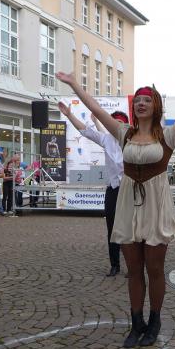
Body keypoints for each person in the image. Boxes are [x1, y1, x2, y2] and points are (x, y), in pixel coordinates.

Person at [56, 60, 175, 348]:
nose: (141, 104)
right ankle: (137, 323)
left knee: (155, 269)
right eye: (138, 100)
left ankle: (154, 320)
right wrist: (74, 84)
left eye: (146, 100)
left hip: (156, 205)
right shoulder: (124, 133)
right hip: (128, 204)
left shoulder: (168, 135)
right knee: (133, 270)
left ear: (155, 106)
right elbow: (96, 108)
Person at [58, 103, 126, 276]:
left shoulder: (132, 141)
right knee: (112, 228)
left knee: (130, 229)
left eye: (120, 123)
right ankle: (115, 265)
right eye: (114, 123)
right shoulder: (106, 139)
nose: (116, 126)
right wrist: (69, 115)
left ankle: (134, 266)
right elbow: (85, 131)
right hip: (113, 189)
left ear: (126, 126)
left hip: (129, 190)